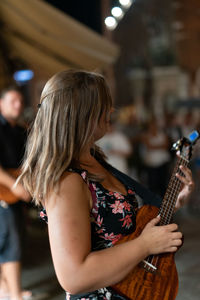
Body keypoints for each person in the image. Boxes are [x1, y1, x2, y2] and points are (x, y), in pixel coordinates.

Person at [18, 70, 194, 300]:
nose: (111, 110)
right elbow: (73, 277)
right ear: (82, 114)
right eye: (104, 105)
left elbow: (118, 231)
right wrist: (145, 245)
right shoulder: (67, 181)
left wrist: (174, 204)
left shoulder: (93, 160)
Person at [0, 86, 32, 300]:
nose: (18, 105)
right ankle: (14, 295)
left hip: (15, 195)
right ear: (0, 103)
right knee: (11, 244)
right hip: (5, 194)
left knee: (8, 241)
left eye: (20, 101)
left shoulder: (20, 129)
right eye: (12, 101)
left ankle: (6, 289)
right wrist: (15, 186)